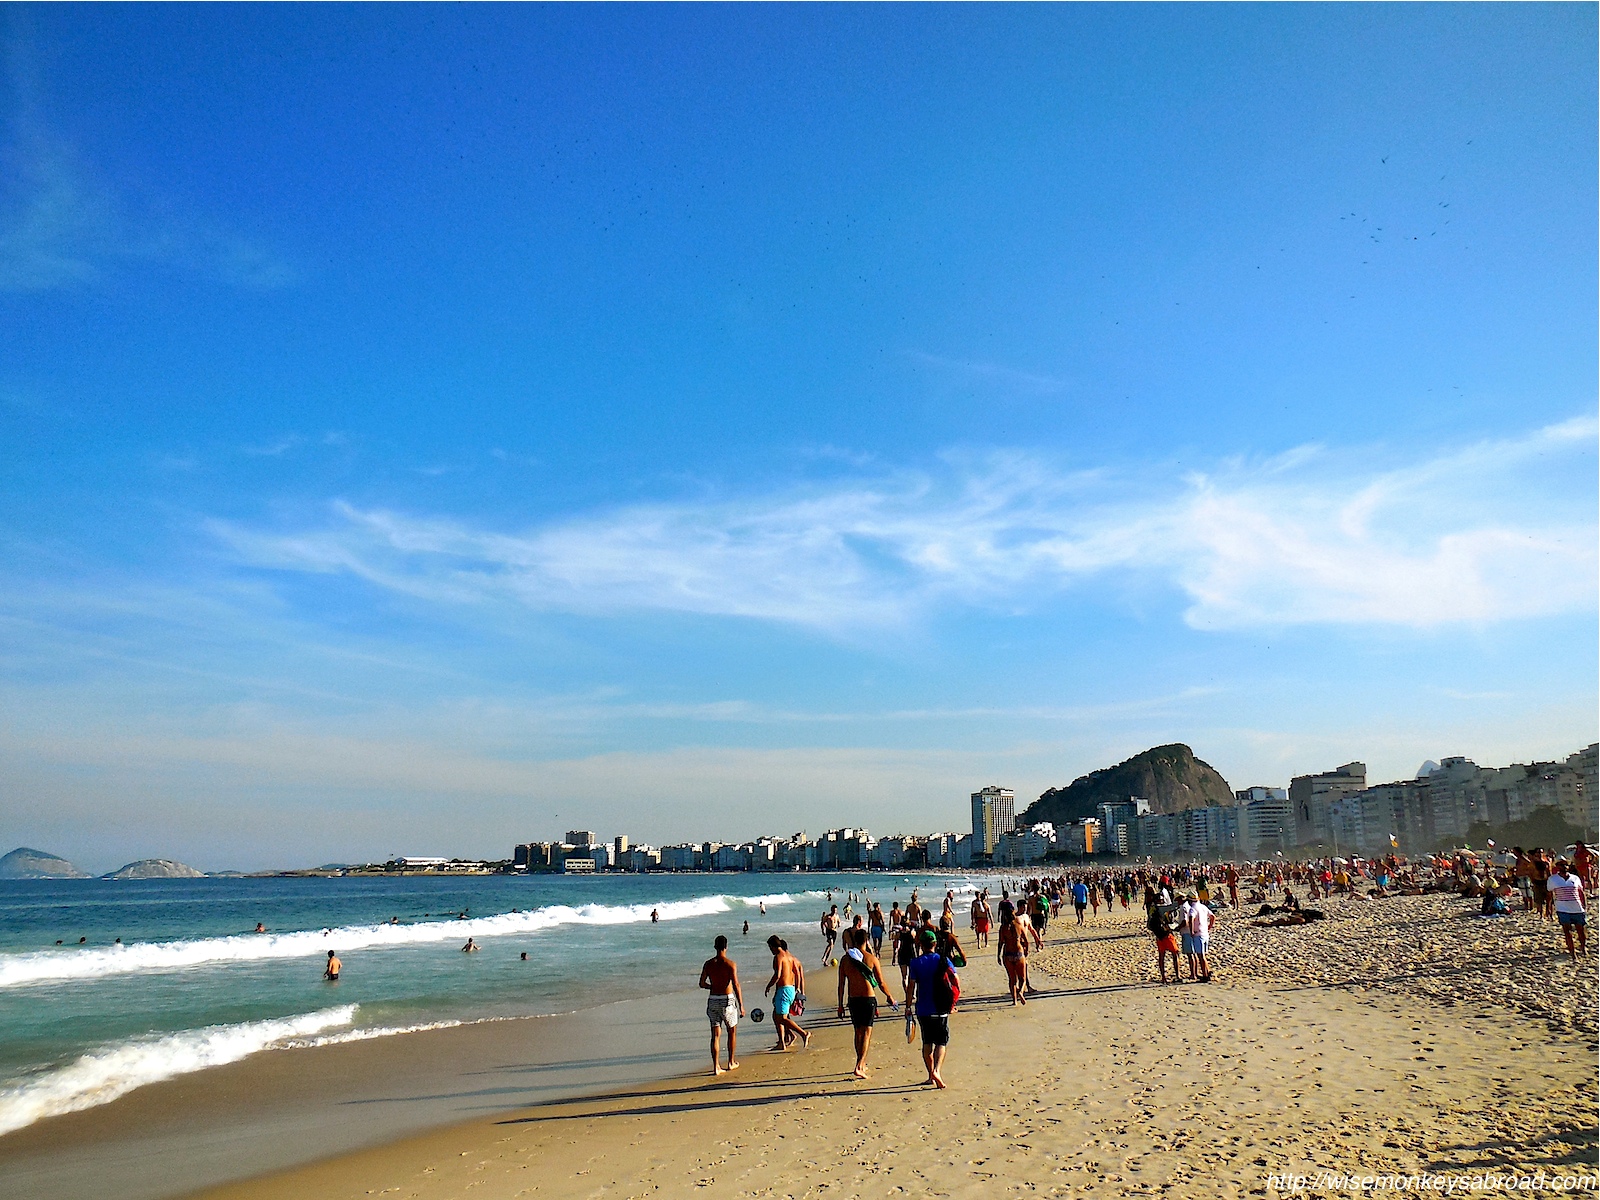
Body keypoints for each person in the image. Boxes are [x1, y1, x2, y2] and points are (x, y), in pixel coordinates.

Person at [836, 928, 897, 1078]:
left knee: (858, 1031)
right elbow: (881, 982)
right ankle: (859, 1065)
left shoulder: (845, 960)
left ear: (854, 941)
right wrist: (889, 996)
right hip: (868, 999)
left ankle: (861, 1063)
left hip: (853, 999)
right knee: (867, 1032)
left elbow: (841, 985)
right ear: (866, 941)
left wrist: (840, 1005)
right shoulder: (872, 959)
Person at [905, 929, 955, 1088]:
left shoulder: (915, 963)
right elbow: (955, 980)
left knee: (927, 1042)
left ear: (921, 945)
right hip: (941, 1006)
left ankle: (930, 1076)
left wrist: (908, 1006)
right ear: (935, 944)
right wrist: (952, 1002)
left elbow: (911, 987)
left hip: (923, 1008)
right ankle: (937, 1071)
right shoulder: (943, 960)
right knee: (941, 1041)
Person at [698, 935, 744, 1075]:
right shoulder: (730, 964)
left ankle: (716, 1066)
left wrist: (712, 986)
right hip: (727, 999)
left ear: (715, 947)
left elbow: (702, 983)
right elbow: (736, 985)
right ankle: (731, 1062)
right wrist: (741, 1005)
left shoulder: (708, 964)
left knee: (715, 1034)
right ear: (726, 947)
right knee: (732, 1031)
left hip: (713, 999)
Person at [764, 935, 810, 1051]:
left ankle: (803, 1033)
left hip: (784, 990)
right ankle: (782, 1042)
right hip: (790, 988)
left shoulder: (778, 957)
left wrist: (769, 986)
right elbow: (797, 973)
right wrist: (798, 989)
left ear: (774, 946)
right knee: (776, 1015)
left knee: (781, 1018)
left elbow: (778, 975)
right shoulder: (790, 957)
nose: (770, 950)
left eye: (770, 947)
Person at [1548, 859, 1589, 960]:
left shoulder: (1575, 878)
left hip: (1577, 907)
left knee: (1581, 930)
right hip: (1562, 908)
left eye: (1566, 864)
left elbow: (1581, 892)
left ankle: (1583, 947)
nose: (1564, 867)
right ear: (1557, 866)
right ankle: (1572, 952)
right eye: (1561, 865)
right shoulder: (1553, 879)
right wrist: (1549, 908)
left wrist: (1584, 905)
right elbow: (1550, 895)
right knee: (1567, 931)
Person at [997, 908, 1029, 1005]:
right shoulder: (1019, 926)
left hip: (1008, 954)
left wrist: (998, 955)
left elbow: (1000, 943)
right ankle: (1021, 992)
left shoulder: (1003, 928)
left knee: (1012, 980)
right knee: (1022, 979)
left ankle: (1014, 1001)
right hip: (1019, 953)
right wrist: (1026, 950)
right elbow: (1026, 941)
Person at [1180, 892, 1213, 982]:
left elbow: (1191, 919)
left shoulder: (1193, 909)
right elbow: (1212, 917)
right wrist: (1209, 927)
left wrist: (1191, 931)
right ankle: (1207, 971)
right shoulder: (1203, 907)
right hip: (1205, 933)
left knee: (1200, 956)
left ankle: (1205, 975)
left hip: (1198, 934)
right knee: (1203, 955)